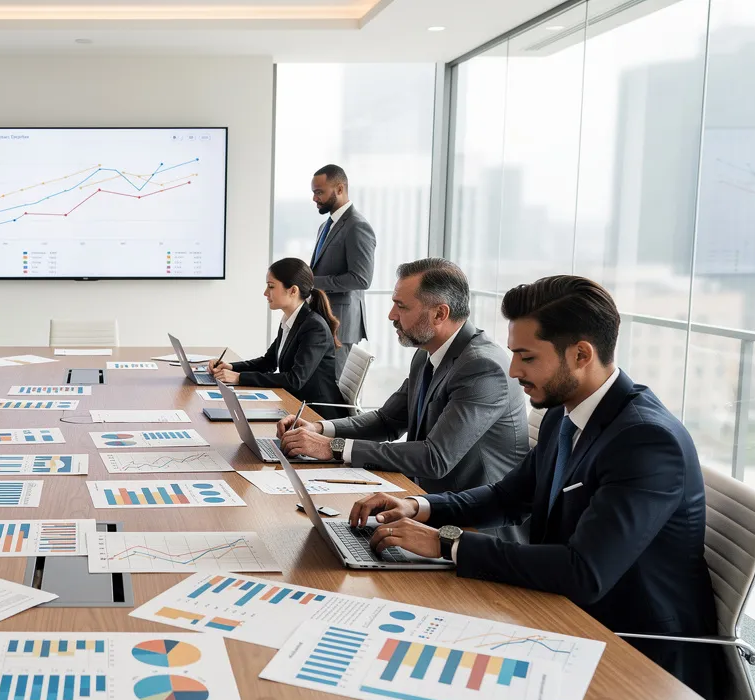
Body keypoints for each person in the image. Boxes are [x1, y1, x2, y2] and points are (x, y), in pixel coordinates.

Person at [347, 275, 720, 700]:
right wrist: (418, 506)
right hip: (562, 617)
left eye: (526, 356)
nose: (513, 371)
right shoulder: (567, 412)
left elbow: (584, 572)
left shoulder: (646, 441)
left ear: (581, 354)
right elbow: (508, 498)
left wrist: (445, 544)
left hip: (638, 656)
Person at [277, 259, 527, 494]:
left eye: (401, 306)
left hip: (469, 522)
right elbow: (387, 421)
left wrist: (333, 448)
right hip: (423, 497)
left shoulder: (482, 368)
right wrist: (320, 429)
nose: (391, 315)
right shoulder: (426, 354)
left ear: (440, 314)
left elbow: (435, 458)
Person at [207, 257, 349, 420]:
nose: (265, 293)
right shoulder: (291, 320)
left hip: (316, 414)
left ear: (293, 290)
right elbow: (269, 362)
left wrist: (240, 378)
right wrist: (232, 367)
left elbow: (295, 380)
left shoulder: (314, 327)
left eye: (271, 286)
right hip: (295, 404)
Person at [305, 164, 376, 376]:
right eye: (313, 192)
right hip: (324, 319)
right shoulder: (326, 226)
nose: (314, 198)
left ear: (339, 189)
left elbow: (361, 279)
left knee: (336, 389)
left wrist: (311, 282)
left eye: (319, 192)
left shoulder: (357, 226)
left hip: (342, 325)